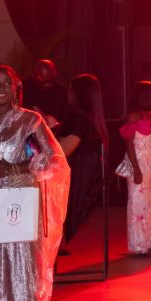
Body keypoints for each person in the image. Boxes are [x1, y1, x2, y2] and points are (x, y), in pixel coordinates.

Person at [0, 65, 69, 301]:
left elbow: (53, 158)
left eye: (7, 83)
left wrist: (9, 169)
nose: (0, 88)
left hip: (15, 200)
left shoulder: (29, 120)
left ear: (16, 87)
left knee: (22, 263)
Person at [56, 74, 109, 251]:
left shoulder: (78, 119)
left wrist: (44, 132)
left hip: (74, 182)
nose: (68, 93)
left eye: (71, 89)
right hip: (85, 180)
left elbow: (62, 151)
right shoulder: (91, 119)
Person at [121, 81, 151, 256]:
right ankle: (138, 245)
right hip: (139, 163)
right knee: (138, 205)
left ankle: (149, 242)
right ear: (146, 95)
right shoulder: (134, 116)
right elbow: (129, 145)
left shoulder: (150, 114)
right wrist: (136, 169)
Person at [22, 59, 70, 130]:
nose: (47, 84)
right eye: (43, 81)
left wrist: (57, 123)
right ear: (34, 75)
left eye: (49, 81)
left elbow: (67, 118)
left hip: (55, 131)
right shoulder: (27, 88)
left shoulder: (61, 91)